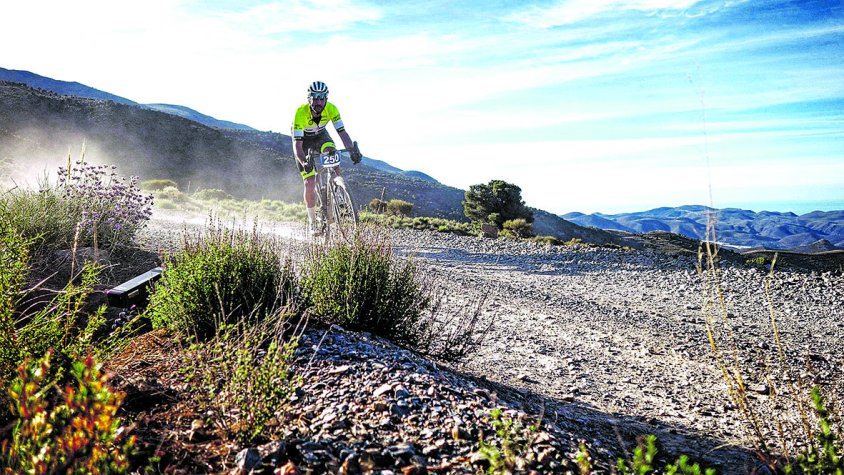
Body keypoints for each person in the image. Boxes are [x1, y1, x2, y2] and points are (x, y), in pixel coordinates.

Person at [291, 80, 362, 235]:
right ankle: (313, 222)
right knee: (310, 182)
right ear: (309, 98)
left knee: (332, 151)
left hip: (321, 137)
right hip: (303, 143)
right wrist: (304, 162)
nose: (319, 102)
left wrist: (351, 151)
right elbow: (297, 147)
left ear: (326, 99)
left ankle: (337, 190)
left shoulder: (332, 109)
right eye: (315, 98)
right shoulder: (300, 113)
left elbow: (342, 133)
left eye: (322, 98)